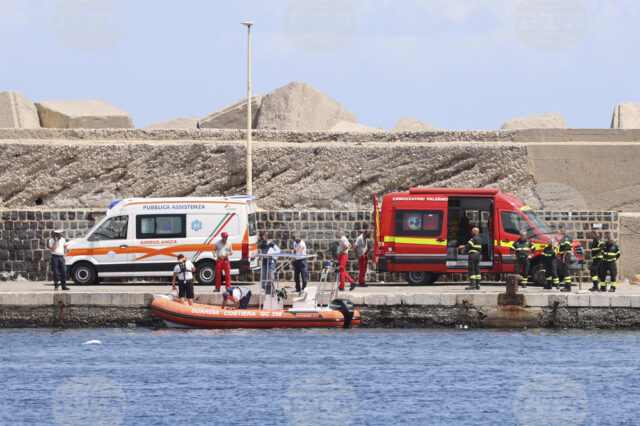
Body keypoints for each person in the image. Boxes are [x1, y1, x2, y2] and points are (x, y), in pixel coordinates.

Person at [557, 224, 573, 292]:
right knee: (565, 271)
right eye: (560, 229)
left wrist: (563, 257)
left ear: (565, 228)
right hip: (564, 256)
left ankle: (568, 287)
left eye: (561, 229)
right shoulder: (564, 237)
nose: (560, 230)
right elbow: (561, 243)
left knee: (566, 271)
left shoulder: (567, 237)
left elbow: (567, 247)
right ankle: (566, 286)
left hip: (565, 256)